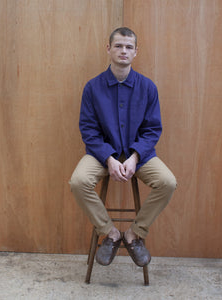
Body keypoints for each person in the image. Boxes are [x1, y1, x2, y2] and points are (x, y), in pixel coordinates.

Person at [69, 27, 177, 267]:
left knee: (167, 182)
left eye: (129, 47)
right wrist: (108, 158)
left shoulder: (148, 88)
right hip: (101, 155)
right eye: (118, 46)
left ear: (136, 52)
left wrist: (135, 157)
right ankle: (110, 234)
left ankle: (134, 234)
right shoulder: (92, 88)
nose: (123, 51)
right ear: (108, 49)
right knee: (78, 182)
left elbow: (152, 129)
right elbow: (88, 130)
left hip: (139, 155)